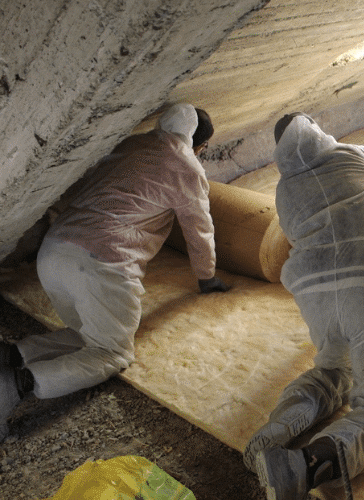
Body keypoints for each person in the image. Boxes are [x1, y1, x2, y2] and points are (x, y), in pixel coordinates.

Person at [1, 103, 229, 440]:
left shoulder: (131, 144)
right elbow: (200, 228)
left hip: (54, 252)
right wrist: (207, 276)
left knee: (91, 335)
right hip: (100, 263)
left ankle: (11, 355)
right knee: (113, 352)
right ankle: (15, 387)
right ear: (201, 145)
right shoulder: (186, 165)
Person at [242, 112, 364, 499]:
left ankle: (273, 437)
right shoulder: (357, 157)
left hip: (314, 289)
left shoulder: (284, 191)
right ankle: (302, 467)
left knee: (334, 370)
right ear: (317, 129)